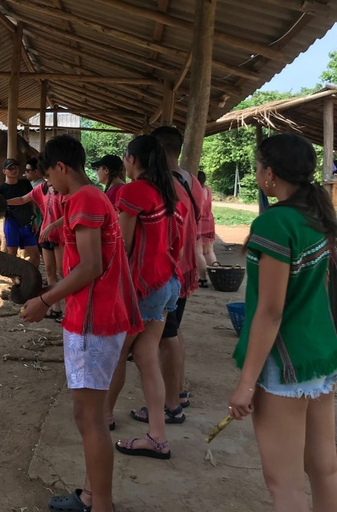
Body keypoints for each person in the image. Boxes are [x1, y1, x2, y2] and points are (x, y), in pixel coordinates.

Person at [20, 134, 141, 512]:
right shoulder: (88, 198)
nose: (48, 186)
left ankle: (100, 504)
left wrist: (44, 300)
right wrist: (58, 224)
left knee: (90, 418)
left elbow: (92, 266)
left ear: (61, 167)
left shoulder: (87, 199)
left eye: (49, 176)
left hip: (94, 320)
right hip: (94, 316)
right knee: (85, 413)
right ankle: (92, 495)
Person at [229, 134, 337, 512]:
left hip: (287, 362)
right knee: (324, 469)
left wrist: (245, 384)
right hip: (319, 355)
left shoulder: (275, 224)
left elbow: (270, 311)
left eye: (259, 166)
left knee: (285, 485)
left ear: (270, 174)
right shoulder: (316, 216)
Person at [104, 135, 185, 459]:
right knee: (147, 358)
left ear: (132, 159)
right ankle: (157, 436)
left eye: (125, 157)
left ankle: (104, 415)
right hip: (166, 282)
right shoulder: (167, 191)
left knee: (116, 354)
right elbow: (175, 240)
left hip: (143, 288)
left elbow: (121, 246)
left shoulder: (134, 191)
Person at [152, 126, 203, 416]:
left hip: (171, 268)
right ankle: (178, 392)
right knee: (172, 332)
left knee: (165, 336)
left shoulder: (164, 185)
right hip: (185, 266)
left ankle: (170, 404)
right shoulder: (190, 180)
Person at [7, 177, 63, 320]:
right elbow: (22, 199)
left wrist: (52, 226)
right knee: (50, 271)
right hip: (46, 235)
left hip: (60, 235)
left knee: (62, 271)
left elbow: (69, 214)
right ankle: (56, 308)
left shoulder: (63, 189)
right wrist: (4, 202)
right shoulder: (42, 189)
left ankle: (73, 308)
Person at [0, 159, 40, 272]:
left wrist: (34, 220)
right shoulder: (1, 189)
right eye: (10, 168)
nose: (14, 171)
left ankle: (27, 277)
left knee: (35, 256)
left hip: (26, 222)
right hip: (11, 223)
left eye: (15, 168)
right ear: (4, 171)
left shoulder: (25, 183)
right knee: (12, 255)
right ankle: (16, 281)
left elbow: (31, 201)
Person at [196, 170, 218, 287]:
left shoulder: (196, 191)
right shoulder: (207, 189)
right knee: (209, 251)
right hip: (209, 221)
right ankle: (217, 273)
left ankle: (202, 279)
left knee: (198, 252)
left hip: (199, 223)